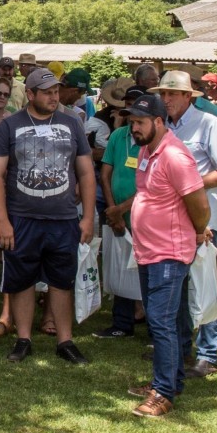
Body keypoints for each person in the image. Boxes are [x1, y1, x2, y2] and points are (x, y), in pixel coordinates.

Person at [0, 67, 97, 365]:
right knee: (21, 280)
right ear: (31, 94)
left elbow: (86, 172)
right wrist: (2, 220)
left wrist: (87, 217)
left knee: (62, 281)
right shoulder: (10, 126)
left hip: (63, 218)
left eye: (56, 91)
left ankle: (65, 341)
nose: (53, 96)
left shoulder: (72, 123)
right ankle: (24, 339)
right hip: (22, 218)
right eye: (46, 92)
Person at [120, 96, 210, 416]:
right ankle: (169, 379)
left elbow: (199, 204)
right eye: (132, 122)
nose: (134, 128)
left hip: (169, 253)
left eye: (140, 122)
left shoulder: (175, 156)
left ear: (159, 122)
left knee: (161, 322)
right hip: (149, 250)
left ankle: (164, 392)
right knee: (165, 321)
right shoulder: (148, 150)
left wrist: (199, 231)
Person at [158, 71, 217, 375]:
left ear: (188, 96)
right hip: (170, 221)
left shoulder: (208, 124)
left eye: (172, 94)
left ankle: (207, 355)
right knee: (176, 288)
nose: (166, 100)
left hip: (203, 223)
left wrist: (188, 185)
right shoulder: (163, 127)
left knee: (204, 285)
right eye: (163, 94)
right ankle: (177, 350)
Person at [95, 79, 147, 340]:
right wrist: (114, 210)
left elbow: (152, 185)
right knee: (119, 267)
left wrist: (121, 209)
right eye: (127, 109)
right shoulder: (117, 136)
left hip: (146, 217)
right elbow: (105, 174)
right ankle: (121, 322)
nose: (131, 117)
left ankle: (152, 323)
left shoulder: (152, 139)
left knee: (147, 269)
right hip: (118, 215)